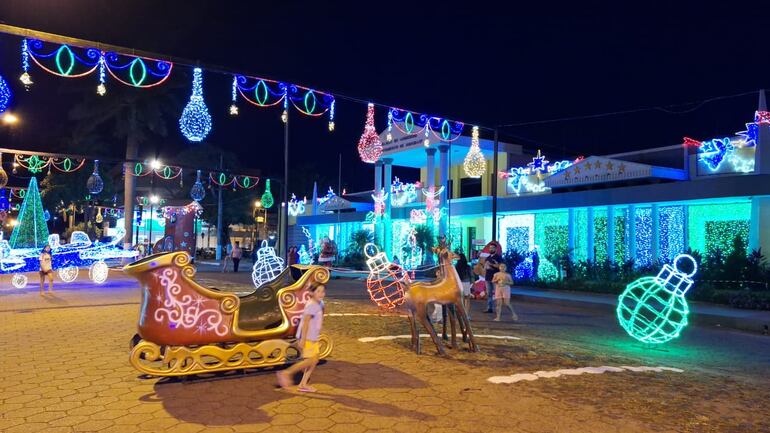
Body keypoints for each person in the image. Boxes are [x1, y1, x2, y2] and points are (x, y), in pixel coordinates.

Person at [277, 284, 326, 392]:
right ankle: (287, 373)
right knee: (310, 360)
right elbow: (305, 323)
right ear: (312, 293)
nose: (321, 294)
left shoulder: (319, 303)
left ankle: (303, 384)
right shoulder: (312, 305)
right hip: (308, 337)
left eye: (323, 291)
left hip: (313, 337)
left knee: (314, 360)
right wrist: (303, 339)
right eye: (318, 291)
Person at [482, 243, 502, 314]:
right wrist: (485, 267)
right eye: (490, 248)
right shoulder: (488, 258)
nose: (491, 249)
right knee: (489, 294)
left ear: (496, 249)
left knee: (497, 294)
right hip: (488, 278)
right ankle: (489, 308)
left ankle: (498, 309)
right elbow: (485, 267)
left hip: (495, 278)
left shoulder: (498, 257)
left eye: (493, 248)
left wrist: (491, 265)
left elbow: (500, 266)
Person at [454, 252, 473, 319]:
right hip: (466, 283)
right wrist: (472, 283)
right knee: (467, 300)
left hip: (458, 283)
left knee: (460, 300)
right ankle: (466, 314)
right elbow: (471, 276)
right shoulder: (468, 267)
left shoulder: (456, 267)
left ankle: (460, 314)